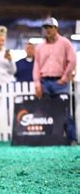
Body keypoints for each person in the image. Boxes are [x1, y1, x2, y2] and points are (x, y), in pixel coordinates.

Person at [33, 17, 77, 145]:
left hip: (60, 82)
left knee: (65, 112)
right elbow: (36, 65)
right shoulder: (40, 47)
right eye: (45, 28)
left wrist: (65, 77)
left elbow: (72, 60)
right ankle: (50, 139)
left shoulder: (65, 43)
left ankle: (71, 139)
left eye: (50, 27)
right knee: (46, 111)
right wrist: (37, 83)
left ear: (56, 28)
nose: (47, 30)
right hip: (45, 82)